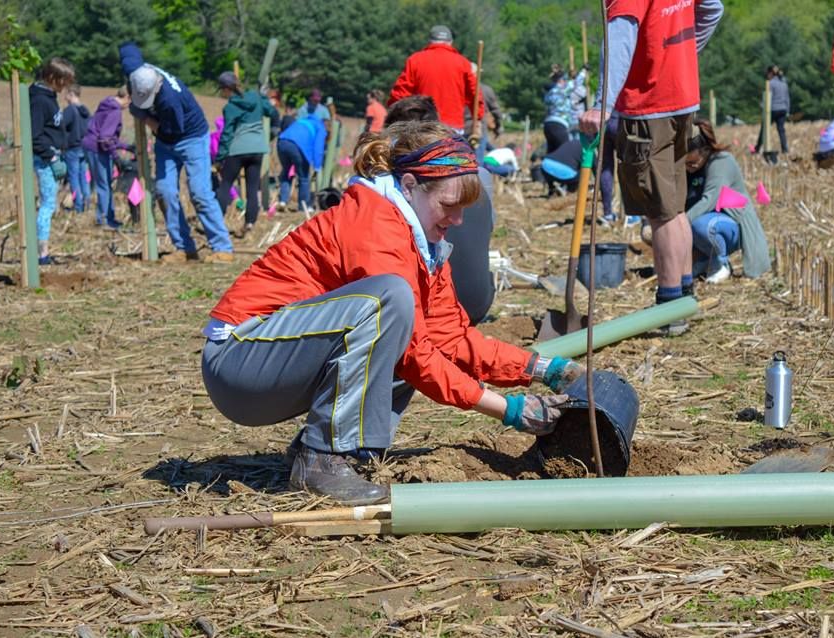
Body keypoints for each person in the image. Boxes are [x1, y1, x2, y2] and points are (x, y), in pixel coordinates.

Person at [201, 120, 583, 504]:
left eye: (463, 209)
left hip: (278, 362)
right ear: (411, 185)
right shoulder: (375, 227)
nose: (458, 220)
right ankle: (323, 458)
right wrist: (509, 410)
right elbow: (417, 353)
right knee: (391, 302)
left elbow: (450, 336)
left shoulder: (423, 241)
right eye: (449, 206)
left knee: (400, 330)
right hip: (241, 362)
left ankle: (333, 449)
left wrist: (542, 368)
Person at [579, 0, 725, 336]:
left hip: (649, 107)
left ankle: (670, 307)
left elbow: (620, 40)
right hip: (682, 98)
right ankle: (685, 297)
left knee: (659, 212)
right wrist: (682, 56)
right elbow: (712, 8)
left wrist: (602, 104)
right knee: (674, 206)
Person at [119, 42, 234, 264]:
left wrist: (142, 115)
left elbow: (168, 131)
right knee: (164, 191)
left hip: (189, 138)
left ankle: (223, 248)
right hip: (165, 143)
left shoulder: (171, 100)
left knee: (199, 192)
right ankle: (184, 248)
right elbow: (128, 51)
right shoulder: (137, 71)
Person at [385, 95, 496, 325]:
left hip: (436, 316)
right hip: (477, 303)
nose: (458, 220)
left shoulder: (388, 191)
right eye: (449, 206)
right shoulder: (479, 175)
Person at [684, 120, 770, 284]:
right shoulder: (688, 169)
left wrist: (680, 223)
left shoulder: (721, 161)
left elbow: (710, 200)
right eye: (685, 163)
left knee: (701, 226)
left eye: (692, 163)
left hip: (729, 224)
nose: (689, 168)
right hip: (705, 223)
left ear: (705, 149)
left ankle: (720, 263)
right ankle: (704, 261)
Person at [213, 71, 279, 238]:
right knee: (252, 188)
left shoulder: (230, 107)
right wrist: (273, 132)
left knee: (225, 184)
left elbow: (227, 134)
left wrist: (219, 158)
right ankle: (249, 224)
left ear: (226, 89)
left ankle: (215, 224)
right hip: (258, 148)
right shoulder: (255, 97)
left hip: (238, 149)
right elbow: (272, 112)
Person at [388, 25, 484, 135]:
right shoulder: (463, 63)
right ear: (450, 42)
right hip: (453, 127)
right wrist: (478, 118)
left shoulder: (415, 60)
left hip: (422, 125)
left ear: (430, 42)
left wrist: (394, 117)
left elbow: (400, 94)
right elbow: (475, 95)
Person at [30, 57, 75, 265]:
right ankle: (42, 253)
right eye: (63, 81)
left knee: (50, 204)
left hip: (52, 156)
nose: (66, 86)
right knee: (47, 205)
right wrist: (52, 157)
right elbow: (35, 135)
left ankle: (42, 250)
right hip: (45, 159)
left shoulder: (50, 97)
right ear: (51, 77)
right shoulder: (39, 100)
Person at [81, 87, 133, 229]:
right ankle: (105, 220)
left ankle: (107, 218)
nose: (129, 105)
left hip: (91, 146)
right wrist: (116, 157)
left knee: (105, 184)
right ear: (127, 97)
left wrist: (126, 147)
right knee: (104, 185)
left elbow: (106, 135)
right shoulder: (115, 111)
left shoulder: (107, 104)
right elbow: (105, 138)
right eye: (130, 101)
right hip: (98, 150)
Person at [277, 113, 327, 213]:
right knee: (304, 177)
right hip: (298, 147)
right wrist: (317, 167)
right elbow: (318, 149)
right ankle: (302, 206)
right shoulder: (320, 127)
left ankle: (283, 201)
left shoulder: (302, 120)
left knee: (286, 173)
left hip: (282, 142)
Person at [62, 84, 91, 214]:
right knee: (83, 177)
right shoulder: (85, 111)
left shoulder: (70, 110)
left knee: (73, 178)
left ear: (71, 94)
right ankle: (87, 203)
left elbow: (61, 126)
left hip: (72, 148)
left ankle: (78, 206)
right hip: (83, 147)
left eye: (66, 94)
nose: (64, 96)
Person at [754, 65, 790, 156]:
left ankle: (757, 148)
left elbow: (767, 98)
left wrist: (762, 106)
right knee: (781, 130)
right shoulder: (784, 83)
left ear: (770, 73)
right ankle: (785, 149)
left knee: (764, 129)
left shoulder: (770, 83)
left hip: (773, 109)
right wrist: (788, 111)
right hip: (783, 109)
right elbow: (787, 98)